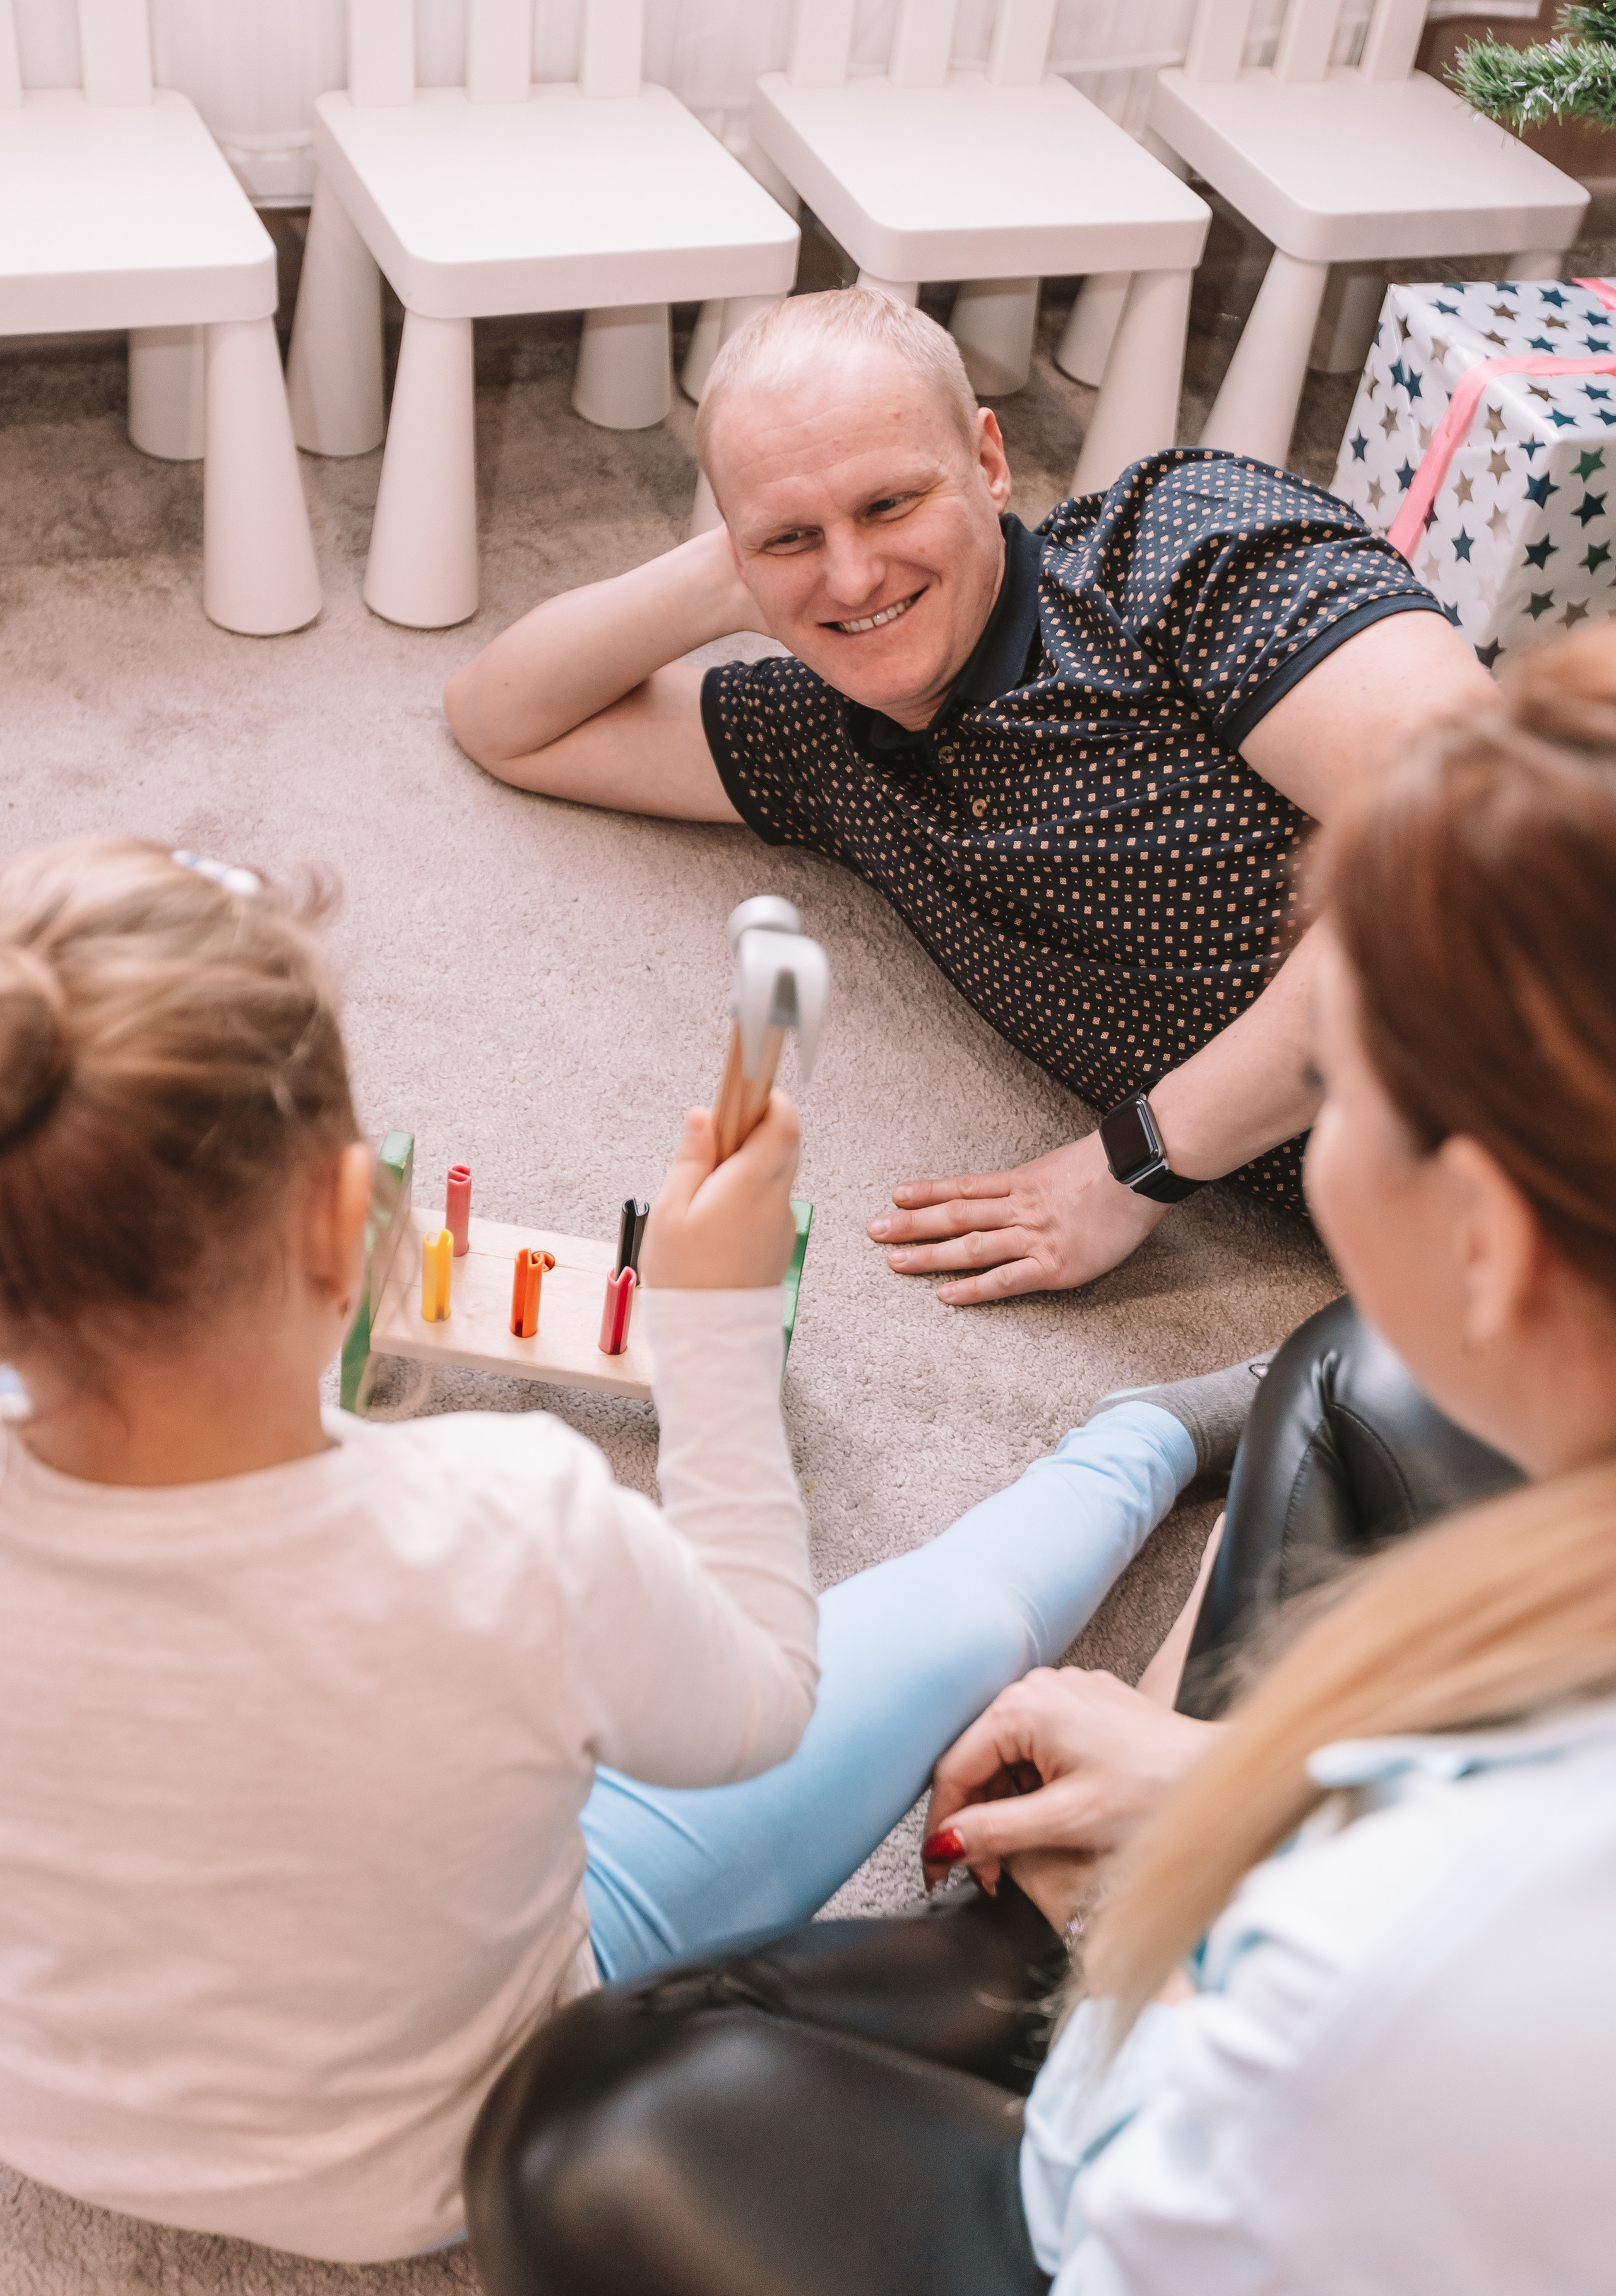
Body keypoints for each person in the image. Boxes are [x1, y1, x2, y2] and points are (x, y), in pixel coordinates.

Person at [462, 636, 1616, 2296]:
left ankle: (1039, 1940)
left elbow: (1152, 2232)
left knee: (594, 2124)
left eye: (1332, 1085)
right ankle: (1039, 1917)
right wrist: (1207, 1779)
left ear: (1495, 1237)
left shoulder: (1396, 1980)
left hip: (1199, 2151)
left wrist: (1169, 1905)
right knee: (1351, 1372)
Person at [0, 832, 1268, 2265]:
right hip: (435, 2144)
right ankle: (1140, 1441)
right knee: (958, 1620)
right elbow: (759, 1699)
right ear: (351, 1227)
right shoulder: (504, 1521)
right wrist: (712, 1334)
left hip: (53, 2116)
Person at [444, 285, 1488, 1307]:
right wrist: (738, 571)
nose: (852, 580)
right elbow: (503, 715)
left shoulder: (1178, 541)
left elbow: (1472, 848)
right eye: (790, 537)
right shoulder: (825, 737)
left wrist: (1141, 1157)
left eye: (889, 504)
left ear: (989, 462)